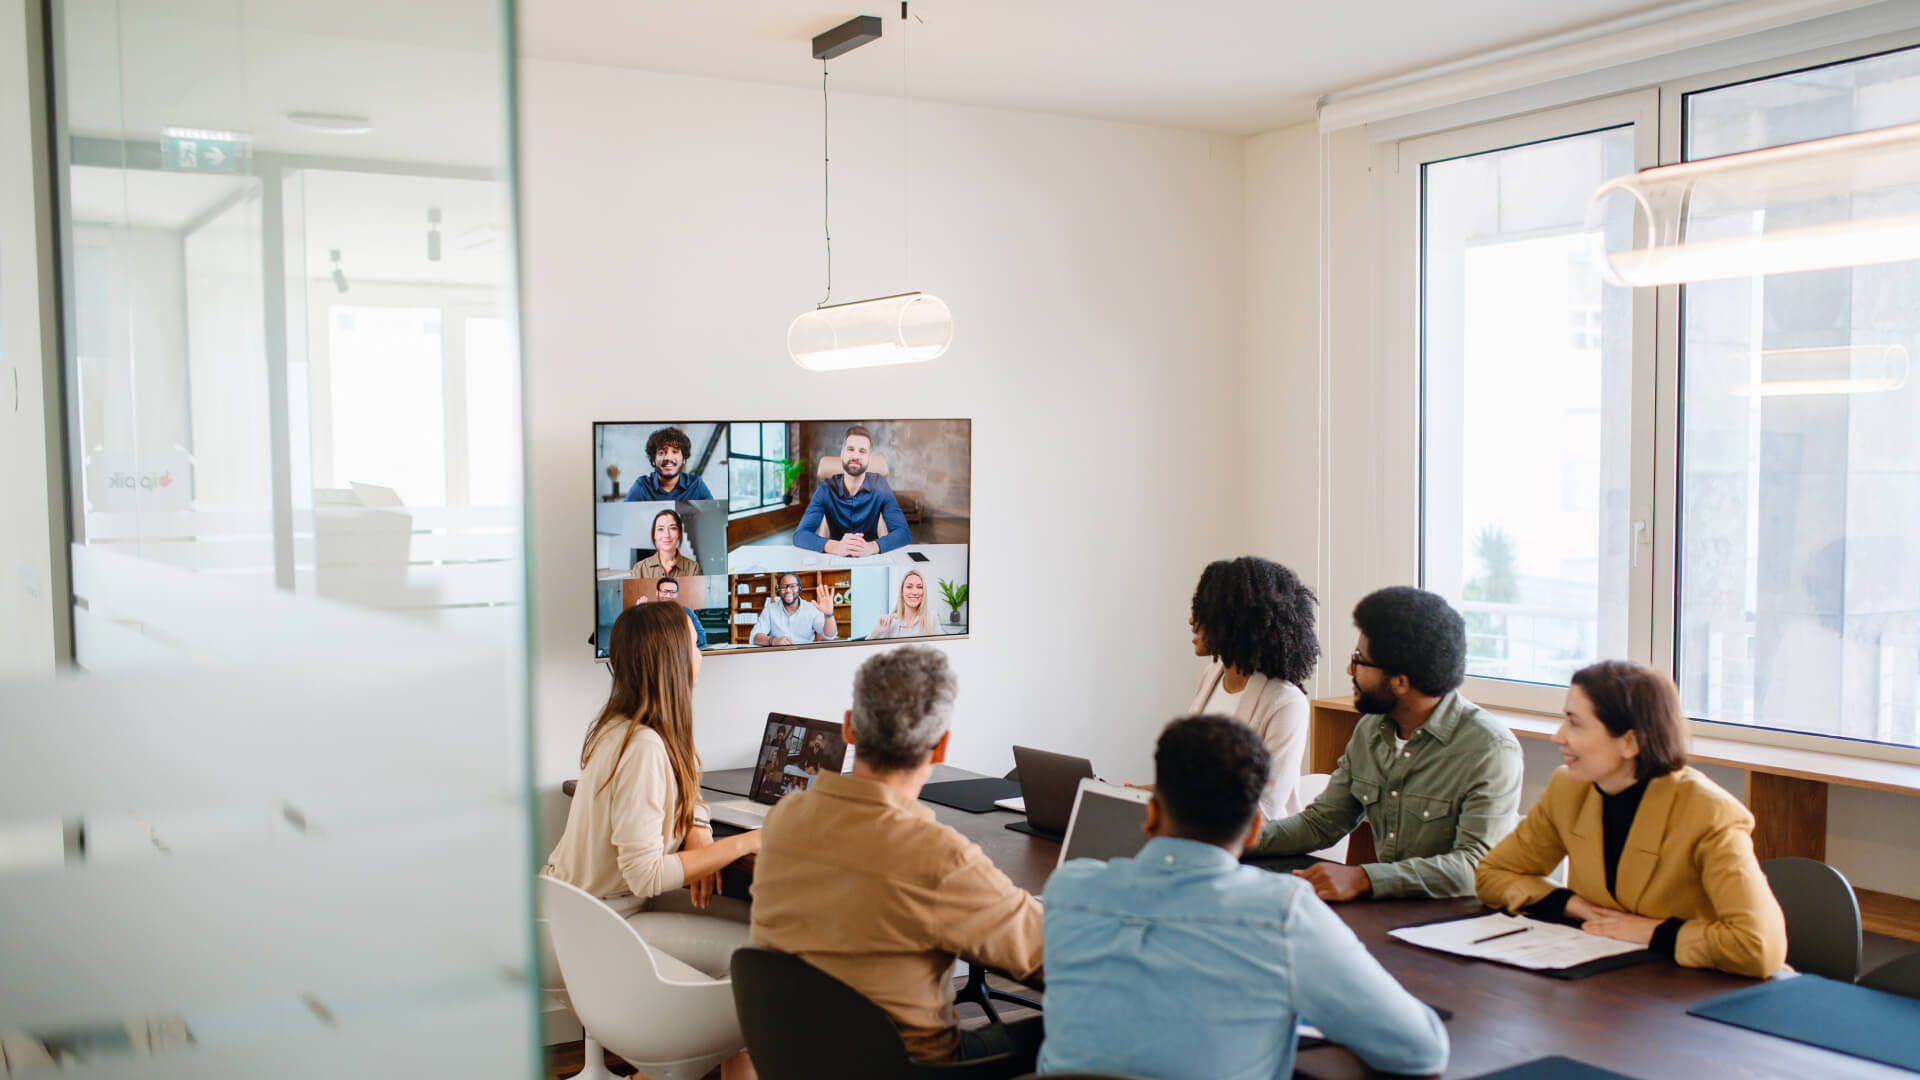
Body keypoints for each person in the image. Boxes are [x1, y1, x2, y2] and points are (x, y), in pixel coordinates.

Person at [1040, 715, 1448, 1079]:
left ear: (1150, 814)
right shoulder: (1283, 914)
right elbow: (1420, 1050)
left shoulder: (1068, 888)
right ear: (1255, 830)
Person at [750, 647, 1044, 1073]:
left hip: (796, 1062)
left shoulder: (784, 819)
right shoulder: (938, 857)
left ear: (849, 727)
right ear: (941, 747)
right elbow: (1050, 959)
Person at [542, 604, 762, 1079]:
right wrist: (745, 844)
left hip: (591, 917)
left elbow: (687, 789)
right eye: (695, 643)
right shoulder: (643, 747)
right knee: (761, 970)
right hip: (608, 926)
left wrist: (700, 833)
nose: (702, 653)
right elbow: (645, 875)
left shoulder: (626, 729)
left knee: (759, 938)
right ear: (672, 658)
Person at [1477, 661, 1788, 978]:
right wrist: (1573, 905)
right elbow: (1494, 874)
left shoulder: (1710, 812)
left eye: (1575, 723)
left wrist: (1653, 931)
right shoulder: (1568, 788)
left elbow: (1760, 947)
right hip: (1607, 977)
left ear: (1630, 742)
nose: (1558, 737)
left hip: (1696, 989)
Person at [1248, 586, 1523, 902]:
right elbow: (1322, 823)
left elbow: (1474, 867)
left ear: (1401, 682)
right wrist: (1243, 839)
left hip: (1455, 922)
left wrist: (1365, 877)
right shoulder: (1371, 729)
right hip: (1390, 912)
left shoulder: (1490, 749)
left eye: (1359, 660)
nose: (1349, 670)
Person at [1186, 556, 1318, 820]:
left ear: (1237, 621)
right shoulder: (1211, 676)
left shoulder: (1286, 702)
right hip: (1194, 832)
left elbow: (1264, 805)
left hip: (1254, 845)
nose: (1192, 620)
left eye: (1204, 612)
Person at [792, 425, 912, 556]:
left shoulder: (880, 484)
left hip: (869, 558)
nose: (855, 456)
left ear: (869, 458)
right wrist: (834, 546)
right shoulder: (825, 488)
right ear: (842, 454)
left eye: (862, 451)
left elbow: (904, 533)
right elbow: (800, 535)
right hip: (835, 558)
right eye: (850, 449)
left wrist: (872, 547)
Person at [625, 424, 714, 502]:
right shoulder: (642, 486)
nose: (668, 458)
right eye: (661, 452)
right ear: (653, 460)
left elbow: (713, 514)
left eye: (675, 452)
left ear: (684, 459)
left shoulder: (696, 484)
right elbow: (625, 516)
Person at [750, 573, 838, 646]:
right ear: (779, 590)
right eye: (784, 587)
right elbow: (755, 637)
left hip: (805, 657)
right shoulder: (770, 609)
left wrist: (829, 614)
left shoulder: (811, 608)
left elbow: (829, 635)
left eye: (793, 586)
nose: (788, 590)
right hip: (778, 657)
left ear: (799, 588)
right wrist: (773, 641)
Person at [870, 569, 943, 639]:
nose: (914, 592)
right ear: (902, 592)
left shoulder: (932, 617)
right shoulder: (890, 622)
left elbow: (944, 646)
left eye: (919, 587)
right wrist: (876, 632)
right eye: (909, 587)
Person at [633, 508, 701, 579]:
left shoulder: (693, 568)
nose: (666, 535)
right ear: (654, 535)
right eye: (660, 529)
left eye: (672, 528)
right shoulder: (639, 568)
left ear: (679, 533)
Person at [654, 576, 707, 649]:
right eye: (664, 591)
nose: (668, 596)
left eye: (673, 592)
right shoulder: (649, 613)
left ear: (677, 594)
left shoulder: (687, 612)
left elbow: (702, 638)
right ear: (657, 592)